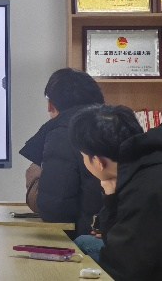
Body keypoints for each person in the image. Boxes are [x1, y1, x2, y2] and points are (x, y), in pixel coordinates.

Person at [69, 104, 162, 280]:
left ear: (98, 162)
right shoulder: (147, 161)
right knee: (84, 242)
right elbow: (117, 241)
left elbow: (121, 268)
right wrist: (111, 198)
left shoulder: (143, 190)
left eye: (83, 156)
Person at [19, 68, 104, 238]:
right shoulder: (121, 124)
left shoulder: (63, 134)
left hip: (86, 240)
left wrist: (34, 179)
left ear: (50, 104)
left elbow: (54, 211)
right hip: (127, 238)